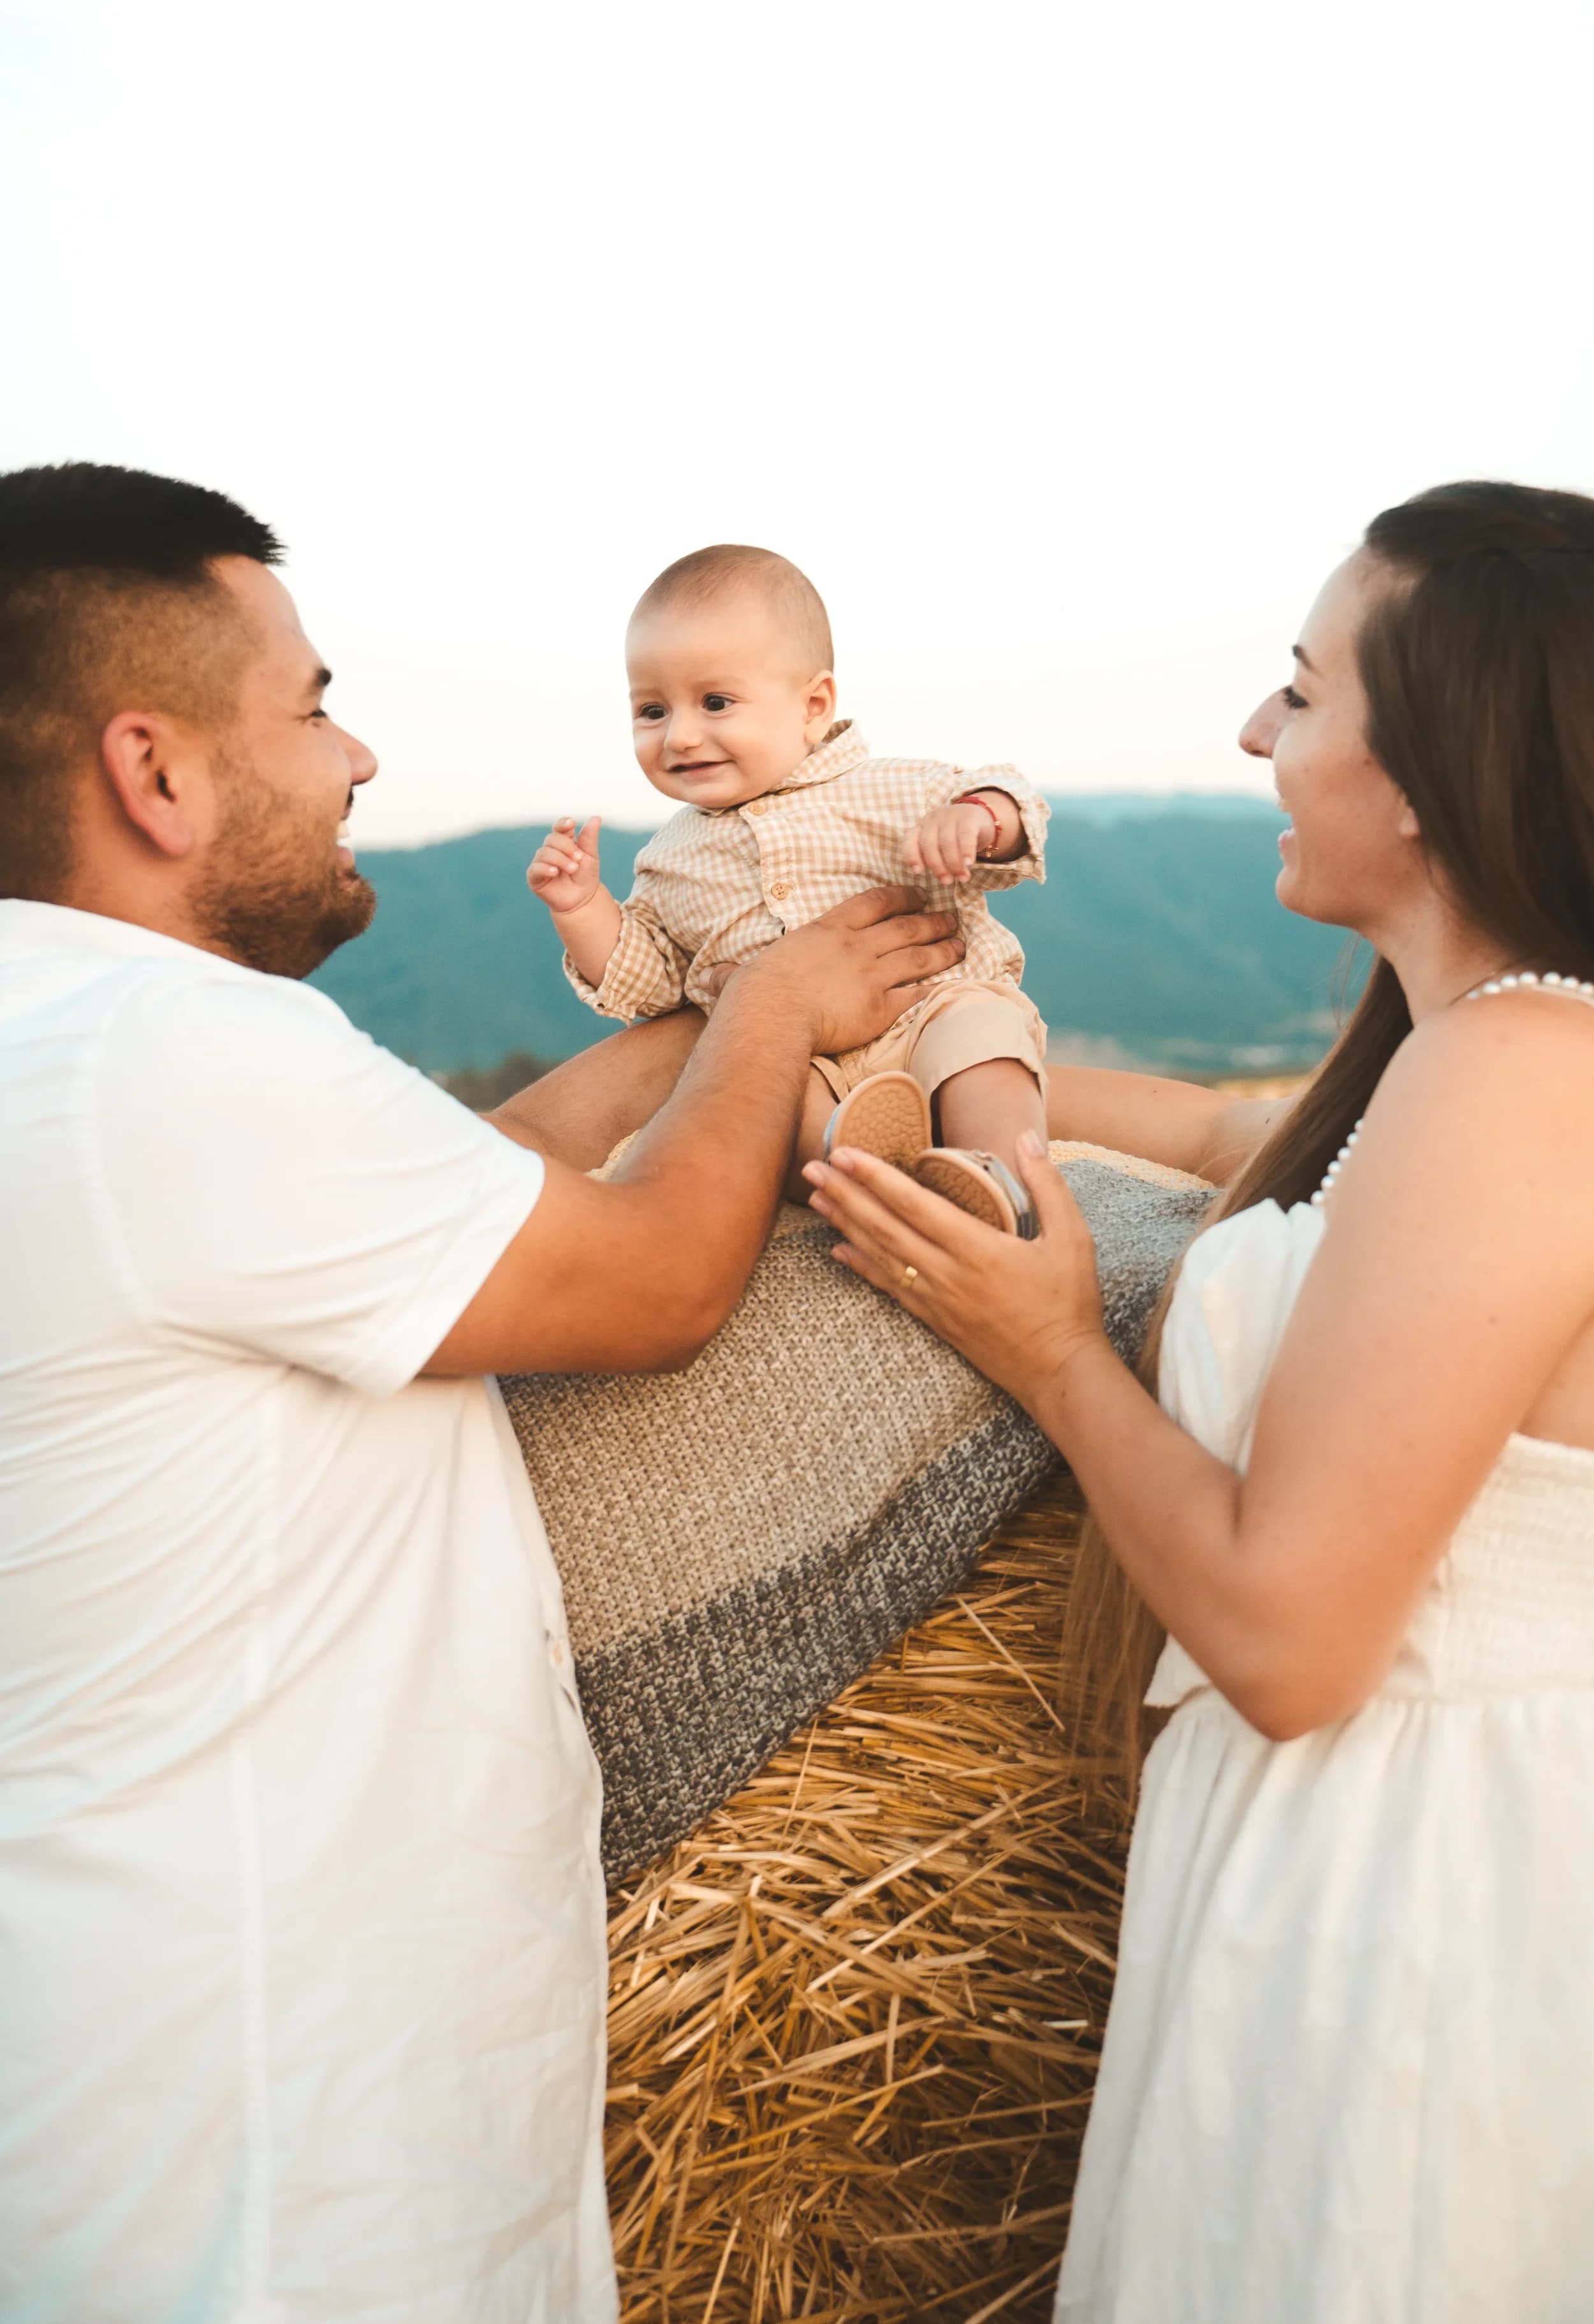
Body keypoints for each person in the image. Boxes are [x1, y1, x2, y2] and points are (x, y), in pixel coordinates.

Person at [0, 461, 964, 2324]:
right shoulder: (177, 1049)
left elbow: (459, 1199)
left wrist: (679, 1036)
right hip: (265, 2156)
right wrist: (772, 1006)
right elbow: (659, 1283)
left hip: (138, 2083)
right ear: (155, 770)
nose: (357, 758)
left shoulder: (72, 1056)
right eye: (308, 706)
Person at [801, 481, 1594, 2321]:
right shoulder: (1469, 1070)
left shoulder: (1519, 1072)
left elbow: (1289, 1633)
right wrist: (868, 1039)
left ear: (1424, 770)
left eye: (1301, 693)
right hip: (1362, 1855)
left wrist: (1050, 1347)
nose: (1252, 732)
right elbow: (1212, 1131)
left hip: (1424, 1897)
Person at [527, 542, 1052, 1230]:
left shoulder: (892, 787)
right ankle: (862, 1172)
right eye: (652, 710)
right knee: (760, 1096)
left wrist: (979, 818)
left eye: (715, 702)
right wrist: (583, 907)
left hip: (930, 1008)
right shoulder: (668, 857)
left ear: (813, 705)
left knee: (983, 1041)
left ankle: (1003, 1183)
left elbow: (1017, 801)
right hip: (801, 1056)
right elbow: (648, 981)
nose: (681, 735)